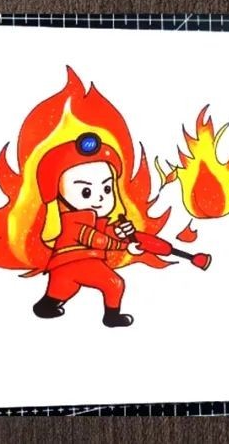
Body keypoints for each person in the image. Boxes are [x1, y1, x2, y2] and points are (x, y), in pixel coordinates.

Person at [32, 132, 142, 327]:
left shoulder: (92, 219)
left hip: (64, 267)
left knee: (63, 289)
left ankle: (45, 306)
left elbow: (104, 232)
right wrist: (124, 246)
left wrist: (120, 232)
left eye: (107, 189)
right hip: (77, 261)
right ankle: (111, 317)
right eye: (86, 191)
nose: (100, 198)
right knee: (114, 283)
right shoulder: (72, 221)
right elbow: (97, 239)